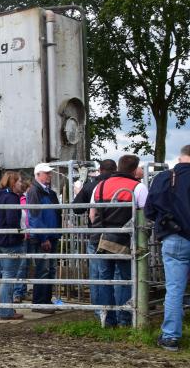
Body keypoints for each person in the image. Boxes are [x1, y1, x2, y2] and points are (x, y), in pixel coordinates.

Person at [89, 155, 148, 327]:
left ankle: (107, 320)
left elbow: (92, 214)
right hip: (125, 241)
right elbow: (145, 216)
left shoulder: (100, 185)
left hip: (100, 239)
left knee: (105, 279)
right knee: (126, 279)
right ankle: (125, 320)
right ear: (134, 169)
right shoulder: (138, 187)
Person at [145, 145, 190, 351]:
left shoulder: (165, 177)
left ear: (181, 156)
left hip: (175, 238)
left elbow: (149, 210)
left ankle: (171, 337)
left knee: (174, 289)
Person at [73, 160, 116, 315]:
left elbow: (77, 209)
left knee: (97, 273)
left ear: (99, 170)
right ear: (115, 169)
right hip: (120, 236)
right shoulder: (118, 184)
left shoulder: (91, 186)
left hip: (96, 234)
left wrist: (80, 193)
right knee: (118, 273)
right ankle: (118, 310)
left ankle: (99, 310)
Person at [0, 171, 25, 320]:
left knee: (5, 274)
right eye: (20, 181)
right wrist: (21, 234)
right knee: (8, 275)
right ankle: (5, 311)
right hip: (9, 241)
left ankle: (7, 309)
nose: (22, 183)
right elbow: (12, 220)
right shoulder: (12, 198)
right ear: (13, 183)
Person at [26, 163, 61, 313]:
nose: (49, 176)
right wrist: (43, 237)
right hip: (44, 236)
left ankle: (46, 300)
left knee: (50, 269)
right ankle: (39, 302)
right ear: (38, 174)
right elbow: (35, 216)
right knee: (43, 269)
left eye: (49, 173)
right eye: (46, 173)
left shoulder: (49, 192)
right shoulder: (35, 191)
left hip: (51, 234)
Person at [14, 179, 32, 303]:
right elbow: (23, 219)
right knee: (21, 265)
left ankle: (23, 291)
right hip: (25, 235)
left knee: (25, 265)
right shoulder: (22, 200)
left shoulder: (27, 200)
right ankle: (18, 292)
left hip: (29, 234)